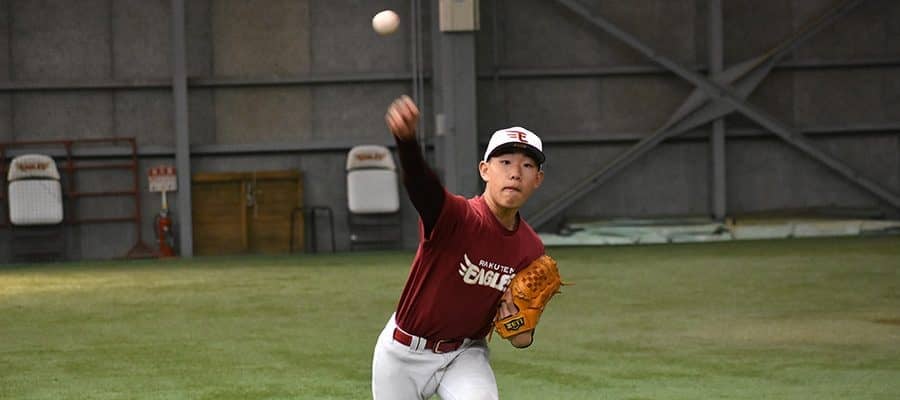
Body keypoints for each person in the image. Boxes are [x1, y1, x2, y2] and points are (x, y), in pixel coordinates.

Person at [371, 95, 548, 399]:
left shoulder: (531, 250)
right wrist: (407, 142)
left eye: (527, 165)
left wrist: (519, 328)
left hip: (465, 355)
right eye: (505, 162)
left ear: (537, 179)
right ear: (484, 170)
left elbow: (522, 337)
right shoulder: (455, 217)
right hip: (402, 353)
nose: (515, 173)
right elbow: (422, 186)